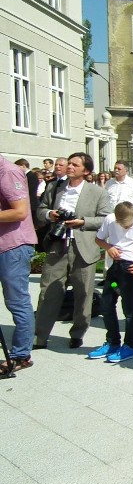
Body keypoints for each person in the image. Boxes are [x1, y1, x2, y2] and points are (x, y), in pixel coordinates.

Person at [34, 153, 111, 349]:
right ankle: (39, 336)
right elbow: (40, 211)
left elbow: (105, 219)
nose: (69, 167)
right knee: (48, 293)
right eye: (69, 164)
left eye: (74, 165)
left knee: (83, 293)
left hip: (83, 248)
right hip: (57, 246)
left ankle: (78, 332)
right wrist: (50, 214)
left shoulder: (97, 192)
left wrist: (83, 221)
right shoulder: (55, 187)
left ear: (85, 171)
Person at [89, 202, 133, 363]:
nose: (126, 227)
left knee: (129, 308)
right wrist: (108, 247)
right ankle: (112, 342)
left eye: (128, 224)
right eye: (123, 224)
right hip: (115, 267)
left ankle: (130, 346)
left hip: (131, 269)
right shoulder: (110, 220)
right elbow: (98, 239)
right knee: (106, 304)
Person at [0, 154, 38, 374]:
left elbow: (20, 211)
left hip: (13, 246)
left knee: (17, 301)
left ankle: (21, 355)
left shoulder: (8, 171)